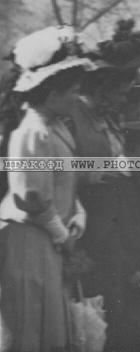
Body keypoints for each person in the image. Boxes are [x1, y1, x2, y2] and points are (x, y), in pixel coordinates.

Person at [0, 26, 94, 352]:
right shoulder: (32, 132)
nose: (77, 98)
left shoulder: (55, 127)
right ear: (52, 94)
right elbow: (30, 196)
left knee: (51, 326)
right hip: (30, 240)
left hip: (49, 240)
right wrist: (62, 235)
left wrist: (77, 213)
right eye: (73, 91)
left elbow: (63, 181)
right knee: (32, 325)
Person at [70, 21, 140, 352]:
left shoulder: (107, 116)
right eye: (120, 93)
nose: (124, 100)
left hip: (117, 228)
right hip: (88, 229)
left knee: (118, 312)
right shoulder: (74, 114)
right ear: (104, 87)